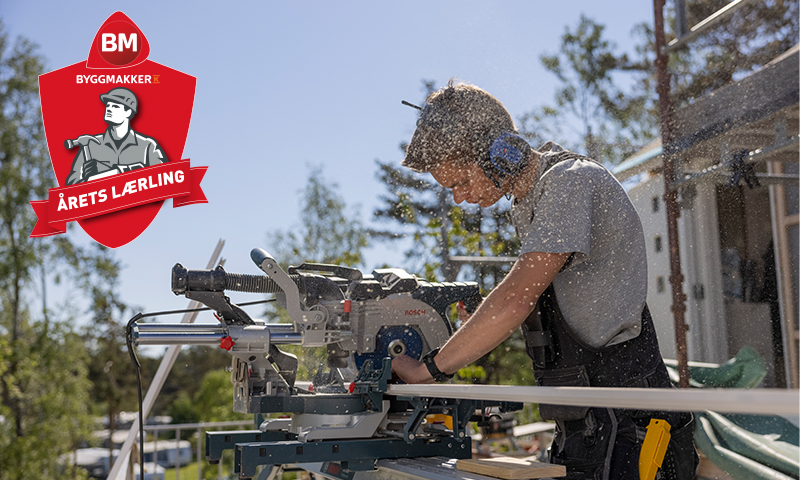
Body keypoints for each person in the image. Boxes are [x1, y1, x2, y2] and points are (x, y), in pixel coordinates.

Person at [391, 81, 698, 480]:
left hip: (628, 422)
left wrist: (427, 369)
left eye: (461, 183)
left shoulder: (569, 181)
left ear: (500, 153)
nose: (460, 198)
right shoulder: (529, 202)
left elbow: (515, 300)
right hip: (588, 417)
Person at [65, 87, 168, 185]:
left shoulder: (147, 146)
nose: (109, 109)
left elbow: (162, 179)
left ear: (128, 112)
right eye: (108, 105)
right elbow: (72, 186)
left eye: (115, 106)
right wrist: (88, 181)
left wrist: (108, 172)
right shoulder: (90, 145)